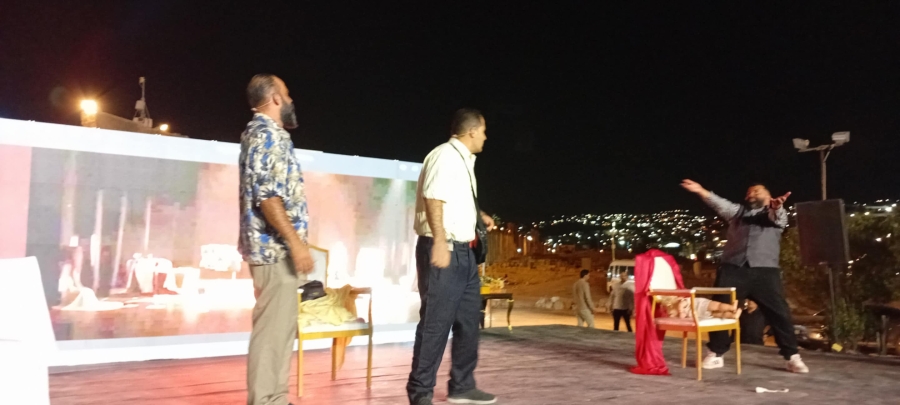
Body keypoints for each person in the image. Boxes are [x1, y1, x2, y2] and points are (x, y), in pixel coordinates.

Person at [407, 108, 497, 405]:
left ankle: (462, 386)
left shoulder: (463, 160)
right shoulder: (444, 156)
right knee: (435, 323)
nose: (485, 137)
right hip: (444, 247)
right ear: (471, 131)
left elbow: (454, 199)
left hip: (464, 253)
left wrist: (478, 215)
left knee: (469, 322)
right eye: (483, 131)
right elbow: (433, 198)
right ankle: (420, 392)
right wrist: (440, 242)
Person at [240, 74, 315, 405]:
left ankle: (276, 399)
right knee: (271, 333)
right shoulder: (265, 135)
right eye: (287, 93)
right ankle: (266, 401)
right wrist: (296, 244)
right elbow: (268, 197)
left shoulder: (268, 135)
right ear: (274, 98)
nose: (291, 99)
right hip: (274, 252)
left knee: (281, 332)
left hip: (277, 252)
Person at [681, 179, 809, 374]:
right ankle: (716, 353)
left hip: (765, 271)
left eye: (756, 191)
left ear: (768, 197)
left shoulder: (775, 214)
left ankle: (792, 357)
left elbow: (779, 218)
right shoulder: (737, 212)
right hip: (733, 270)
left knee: (779, 313)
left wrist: (777, 207)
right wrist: (700, 190)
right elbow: (719, 203)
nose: (751, 194)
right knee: (720, 310)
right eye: (749, 193)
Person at [659, 296, 742, 320]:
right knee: (719, 315)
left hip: (701, 305)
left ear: (670, 305)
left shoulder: (680, 302)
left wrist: (681, 311)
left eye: (669, 311)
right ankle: (733, 315)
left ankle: (731, 307)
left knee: (718, 306)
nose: (669, 314)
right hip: (701, 315)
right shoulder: (678, 312)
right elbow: (677, 316)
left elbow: (682, 305)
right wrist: (677, 316)